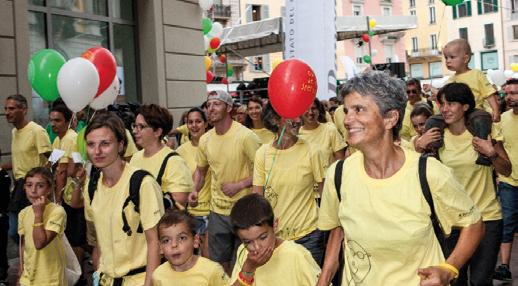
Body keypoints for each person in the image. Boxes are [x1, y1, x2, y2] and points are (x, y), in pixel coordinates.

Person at [317, 71, 484, 286]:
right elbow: (337, 230)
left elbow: (474, 224)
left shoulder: (428, 172)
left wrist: (449, 269)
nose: (348, 120)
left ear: (390, 118)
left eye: (359, 109)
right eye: (346, 110)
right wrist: (324, 279)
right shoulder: (338, 174)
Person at [433, 82, 511, 285]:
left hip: (487, 217)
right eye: (442, 104)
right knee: (454, 280)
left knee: (480, 281)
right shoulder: (436, 136)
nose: (444, 109)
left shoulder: (483, 131)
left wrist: (491, 152)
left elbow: (506, 169)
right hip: (453, 221)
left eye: (451, 103)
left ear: (466, 106)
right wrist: (419, 145)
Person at [82, 112, 165, 286]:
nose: (97, 151)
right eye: (91, 144)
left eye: (105, 144)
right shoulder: (91, 185)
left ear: (120, 145)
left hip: (139, 280)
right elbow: (98, 240)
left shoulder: (142, 183)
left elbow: (154, 242)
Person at [189, 90, 261, 274]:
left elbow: (265, 172)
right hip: (217, 212)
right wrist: (194, 189)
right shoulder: (205, 139)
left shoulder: (246, 136)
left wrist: (240, 185)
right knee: (219, 263)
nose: (211, 108)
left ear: (228, 108)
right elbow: (200, 171)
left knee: (244, 262)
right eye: (208, 104)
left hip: (243, 211)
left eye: (216, 104)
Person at [252, 103, 325, 264]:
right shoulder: (262, 153)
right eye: (293, 115)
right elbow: (257, 198)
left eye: (300, 114)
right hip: (275, 239)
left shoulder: (313, 150)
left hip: (309, 236)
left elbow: (326, 195)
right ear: (275, 120)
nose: (299, 120)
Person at [425, 38, 499, 166]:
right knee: (432, 121)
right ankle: (434, 147)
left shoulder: (476, 74)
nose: (448, 61)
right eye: (446, 57)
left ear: (465, 58)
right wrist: (433, 92)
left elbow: (489, 93)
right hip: (456, 115)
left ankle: (483, 153)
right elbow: (444, 96)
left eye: (452, 57)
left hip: (475, 112)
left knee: (481, 120)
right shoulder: (450, 80)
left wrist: (496, 111)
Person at [230, 193, 322, 286]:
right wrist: (248, 269)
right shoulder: (243, 253)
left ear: (275, 225)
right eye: (248, 242)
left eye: (263, 237)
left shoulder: (297, 255)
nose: (257, 247)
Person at [1, 94, 51, 243]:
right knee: (18, 230)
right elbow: (19, 160)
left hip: (33, 187)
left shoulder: (36, 131)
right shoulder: (15, 132)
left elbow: (53, 158)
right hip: (18, 186)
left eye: (12, 108)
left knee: (18, 229)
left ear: (24, 110)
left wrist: (42, 182)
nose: (7, 112)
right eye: (5, 109)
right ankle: (28, 257)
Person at [49, 103, 89, 284]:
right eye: (51, 121)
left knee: (76, 238)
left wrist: (57, 200)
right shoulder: (58, 140)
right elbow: (52, 164)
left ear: (67, 122)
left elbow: (67, 171)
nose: (53, 124)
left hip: (75, 196)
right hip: (65, 195)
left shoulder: (71, 138)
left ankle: (79, 276)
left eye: (57, 120)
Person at [130, 104, 193, 206]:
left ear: (157, 132)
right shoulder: (135, 157)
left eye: (141, 127)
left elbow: (179, 200)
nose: (134, 131)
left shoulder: (174, 161)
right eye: (134, 126)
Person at [152, 209, 229, 285]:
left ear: (195, 241)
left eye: (182, 238)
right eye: (166, 241)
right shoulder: (158, 275)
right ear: (160, 248)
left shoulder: (212, 270)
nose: (174, 245)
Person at [18, 167, 67, 285]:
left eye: (40, 186)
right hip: (28, 278)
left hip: (50, 279)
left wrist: (38, 214)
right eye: (29, 185)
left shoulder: (57, 211)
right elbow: (23, 245)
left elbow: (40, 243)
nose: (33, 190)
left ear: (49, 189)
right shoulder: (23, 213)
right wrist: (21, 272)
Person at [176, 107, 212, 257]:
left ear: (205, 124)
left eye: (198, 121)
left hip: (212, 212)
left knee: (210, 260)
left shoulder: (213, 145)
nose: (194, 125)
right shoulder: (180, 151)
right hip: (190, 214)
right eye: (190, 122)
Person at [493, 78, 518, 281]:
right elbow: (499, 147)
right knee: (507, 223)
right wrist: (499, 173)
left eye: (514, 93)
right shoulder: (502, 119)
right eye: (507, 93)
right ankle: (504, 266)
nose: (509, 97)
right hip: (509, 180)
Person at [299, 98, 346, 169]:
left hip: (329, 179)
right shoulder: (296, 135)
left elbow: (340, 162)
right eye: (306, 108)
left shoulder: (330, 130)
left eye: (313, 108)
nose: (310, 112)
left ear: (318, 111)